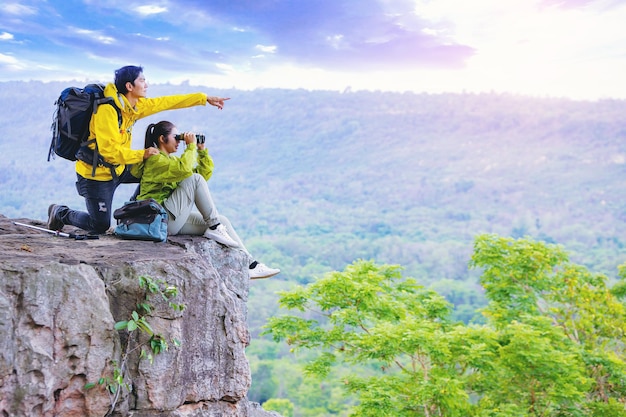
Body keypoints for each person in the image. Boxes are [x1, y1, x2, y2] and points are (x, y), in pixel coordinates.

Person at [47, 65, 229, 235]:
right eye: (142, 80)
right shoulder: (107, 111)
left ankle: (137, 214)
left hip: (121, 168)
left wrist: (204, 99)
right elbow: (109, 152)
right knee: (100, 225)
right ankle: (60, 213)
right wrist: (142, 154)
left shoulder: (133, 107)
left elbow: (167, 102)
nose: (146, 84)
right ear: (129, 86)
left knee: (154, 171)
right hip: (97, 175)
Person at [130, 120, 280, 280]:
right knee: (195, 181)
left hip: (169, 220)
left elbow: (202, 176)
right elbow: (189, 173)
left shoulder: (172, 162)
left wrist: (201, 151)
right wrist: (191, 146)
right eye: (176, 137)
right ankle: (214, 226)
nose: (179, 141)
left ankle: (251, 265)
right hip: (157, 220)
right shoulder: (155, 160)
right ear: (162, 139)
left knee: (223, 220)